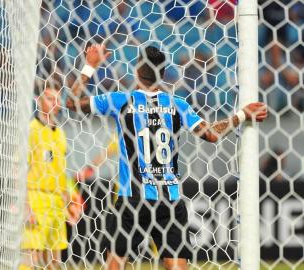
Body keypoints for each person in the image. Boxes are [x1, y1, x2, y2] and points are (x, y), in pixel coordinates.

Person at [66, 44, 268, 270]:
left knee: (116, 265)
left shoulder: (121, 100)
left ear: (136, 71)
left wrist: (90, 66)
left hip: (133, 200)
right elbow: (211, 134)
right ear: (163, 74)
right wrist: (242, 114)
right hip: (169, 200)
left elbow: (71, 102)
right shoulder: (177, 105)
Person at [20, 86, 69, 270]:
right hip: (36, 199)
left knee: (54, 261)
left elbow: (61, 169)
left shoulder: (61, 133)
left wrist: (67, 196)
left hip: (57, 202)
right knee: (31, 257)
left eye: (57, 99)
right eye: (49, 98)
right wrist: (26, 207)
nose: (54, 103)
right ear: (39, 100)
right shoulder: (31, 130)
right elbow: (21, 171)